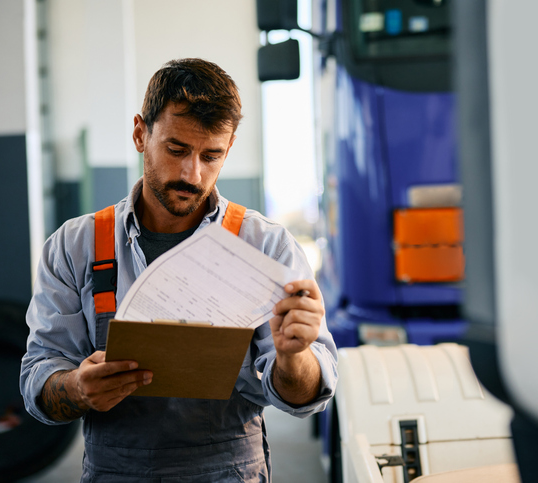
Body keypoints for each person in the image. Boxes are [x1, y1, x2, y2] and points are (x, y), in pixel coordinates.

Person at [20, 58, 338, 482]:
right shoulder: (76, 246)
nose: (193, 174)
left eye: (212, 156)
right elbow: (39, 376)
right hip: (116, 471)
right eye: (176, 150)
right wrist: (78, 387)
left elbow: (303, 395)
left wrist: (292, 354)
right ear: (140, 133)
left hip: (229, 471)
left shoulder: (264, 246)